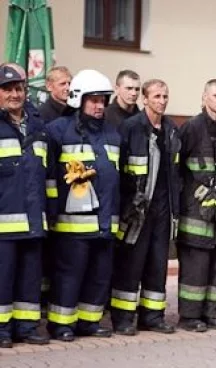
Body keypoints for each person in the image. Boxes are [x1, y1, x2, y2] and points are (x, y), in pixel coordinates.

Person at [45, 69, 122, 341]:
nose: (100, 106)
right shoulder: (58, 131)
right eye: (94, 100)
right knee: (70, 275)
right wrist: (52, 214)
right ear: (79, 98)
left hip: (105, 222)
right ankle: (62, 324)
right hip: (72, 225)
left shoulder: (113, 134)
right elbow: (51, 176)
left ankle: (89, 322)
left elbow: (116, 179)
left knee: (99, 275)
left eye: (103, 100)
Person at [111, 79, 181, 335]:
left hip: (163, 209)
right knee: (131, 265)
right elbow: (120, 170)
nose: (162, 101)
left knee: (157, 265)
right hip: (136, 210)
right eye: (157, 96)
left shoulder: (171, 129)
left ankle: (152, 316)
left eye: (165, 96)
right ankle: (123, 318)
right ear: (145, 99)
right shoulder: (131, 128)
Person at [176, 79, 216, 333]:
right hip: (196, 211)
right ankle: (190, 316)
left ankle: (213, 312)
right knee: (196, 266)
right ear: (204, 98)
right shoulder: (191, 128)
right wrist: (199, 193)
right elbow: (179, 170)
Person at [0, 64, 49, 347]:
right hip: (4, 222)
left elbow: (49, 176)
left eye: (18, 89)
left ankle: (26, 327)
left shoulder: (38, 127)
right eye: (7, 89)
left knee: (30, 278)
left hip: (34, 219)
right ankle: (3, 330)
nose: (14, 94)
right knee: (3, 279)